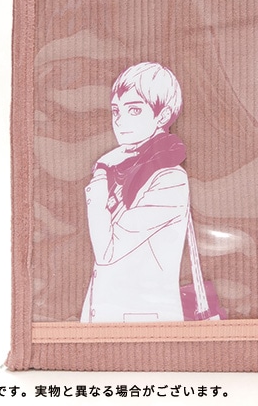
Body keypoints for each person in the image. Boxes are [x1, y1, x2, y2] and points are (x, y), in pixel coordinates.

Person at [80, 62, 189, 323]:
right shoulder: (123, 170)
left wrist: (101, 173)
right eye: (116, 110)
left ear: (162, 116)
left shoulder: (169, 179)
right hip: (103, 319)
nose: (120, 120)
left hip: (144, 323)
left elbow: (106, 251)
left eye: (135, 110)